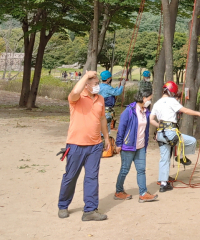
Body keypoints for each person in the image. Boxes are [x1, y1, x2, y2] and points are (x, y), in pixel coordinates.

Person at [57, 71, 112, 221]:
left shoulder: (100, 99)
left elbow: (102, 120)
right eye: (94, 83)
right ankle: (63, 205)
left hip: (95, 145)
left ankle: (90, 210)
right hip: (76, 144)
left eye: (98, 83)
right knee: (71, 176)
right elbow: (75, 91)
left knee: (92, 177)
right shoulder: (76, 98)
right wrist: (85, 77)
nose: (98, 86)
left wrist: (106, 138)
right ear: (86, 85)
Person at [150, 81, 200, 192]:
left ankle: (163, 183)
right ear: (171, 92)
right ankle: (181, 157)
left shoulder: (157, 103)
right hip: (170, 133)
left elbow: (151, 120)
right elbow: (185, 110)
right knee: (192, 141)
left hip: (160, 134)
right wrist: (199, 113)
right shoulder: (171, 101)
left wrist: (160, 126)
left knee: (164, 159)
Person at [114, 82, 158, 203]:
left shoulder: (146, 111)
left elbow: (146, 129)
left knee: (141, 169)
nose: (150, 101)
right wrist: (118, 144)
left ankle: (143, 193)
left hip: (141, 147)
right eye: (149, 99)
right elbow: (121, 128)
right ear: (144, 98)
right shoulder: (129, 111)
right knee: (124, 169)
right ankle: (119, 191)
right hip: (128, 146)